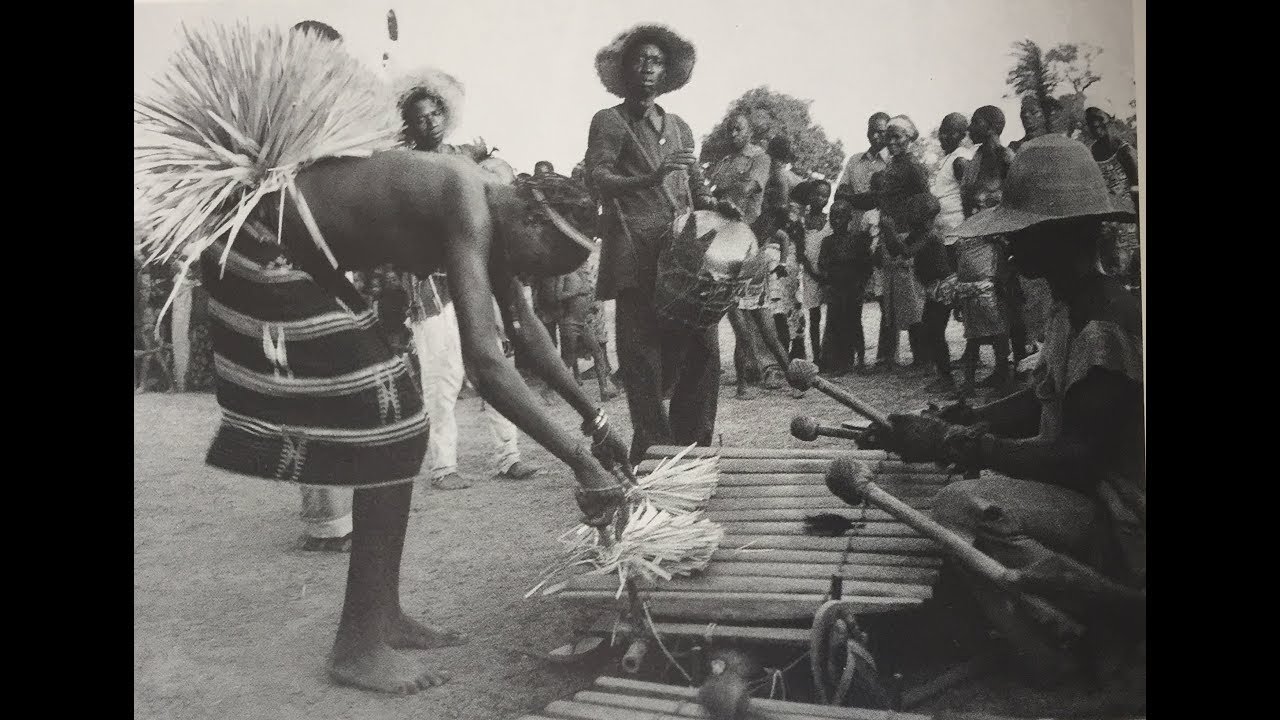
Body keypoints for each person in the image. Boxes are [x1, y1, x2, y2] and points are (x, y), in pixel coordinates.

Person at [143, 24, 636, 695]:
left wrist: (595, 421)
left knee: (397, 423)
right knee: (394, 421)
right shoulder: (465, 194)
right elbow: (487, 365)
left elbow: (522, 327)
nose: (527, 275)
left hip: (303, 260)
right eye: (536, 261)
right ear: (529, 221)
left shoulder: (499, 211)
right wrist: (578, 463)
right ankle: (356, 645)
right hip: (257, 249)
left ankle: (383, 615)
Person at [868, 134, 1143, 688]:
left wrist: (951, 444)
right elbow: (1041, 401)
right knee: (968, 477)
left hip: (1125, 524)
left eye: (1021, 233)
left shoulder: (1105, 320)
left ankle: (1068, 645)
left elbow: (1077, 459)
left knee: (963, 503)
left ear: (1059, 234)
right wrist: (963, 420)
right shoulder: (1075, 306)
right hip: (1090, 502)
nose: (1011, 247)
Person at [585, 24, 739, 462]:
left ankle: (693, 450)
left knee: (703, 351)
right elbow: (598, 177)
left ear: (666, 70)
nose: (648, 68)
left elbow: (695, 187)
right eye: (639, 59)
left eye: (656, 61)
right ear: (625, 68)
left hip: (682, 258)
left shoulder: (680, 127)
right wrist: (651, 177)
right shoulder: (609, 121)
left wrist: (718, 205)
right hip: (634, 254)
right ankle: (654, 453)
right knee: (642, 359)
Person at [398, 69, 541, 489]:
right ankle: (444, 467)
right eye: (420, 118)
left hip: (473, 277)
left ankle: (509, 456)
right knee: (441, 381)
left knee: (493, 366)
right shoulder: (405, 168)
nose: (429, 123)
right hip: (430, 284)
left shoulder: (464, 157)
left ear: (445, 114)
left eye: (434, 114)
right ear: (409, 124)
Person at [709, 112, 785, 397]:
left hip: (749, 241)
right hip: (727, 244)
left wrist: (722, 196)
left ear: (750, 132)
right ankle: (745, 380)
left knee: (759, 318)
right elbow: (716, 196)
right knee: (736, 312)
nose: (733, 135)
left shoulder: (760, 158)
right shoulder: (724, 163)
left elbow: (746, 189)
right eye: (730, 130)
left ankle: (778, 372)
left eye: (738, 129)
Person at [956, 105, 1016, 397]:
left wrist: (1006, 235)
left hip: (999, 241)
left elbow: (1017, 197)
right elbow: (968, 205)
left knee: (996, 303)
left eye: (976, 121)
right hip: (975, 239)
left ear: (992, 125)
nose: (970, 126)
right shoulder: (975, 159)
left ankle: (1006, 370)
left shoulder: (1006, 158)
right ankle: (991, 372)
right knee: (975, 299)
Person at [836, 112, 891, 370]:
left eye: (882, 131)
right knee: (854, 298)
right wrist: (869, 198)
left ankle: (885, 355)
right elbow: (841, 193)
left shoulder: (893, 162)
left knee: (885, 298)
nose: (877, 135)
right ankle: (855, 357)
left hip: (882, 237)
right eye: (873, 130)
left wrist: (859, 198)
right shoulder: (855, 161)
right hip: (856, 238)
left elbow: (880, 199)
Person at [901, 193, 958, 393]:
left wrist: (890, 231)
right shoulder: (920, 233)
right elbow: (899, 250)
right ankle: (941, 371)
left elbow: (907, 252)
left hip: (941, 286)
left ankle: (946, 376)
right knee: (931, 329)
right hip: (934, 287)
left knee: (935, 331)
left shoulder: (930, 235)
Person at [814, 195, 874, 374]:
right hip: (835, 288)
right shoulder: (828, 242)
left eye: (840, 216)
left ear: (850, 218)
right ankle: (838, 362)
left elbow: (866, 265)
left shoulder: (857, 240)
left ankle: (861, 360)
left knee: (855, 324)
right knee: (835, 325)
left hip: (853, 288)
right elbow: (822, 264)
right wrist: (827, 285)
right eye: (833, 216)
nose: (836, 220)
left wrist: (862, 285)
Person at [1085, 106, 1140, 286]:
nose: (1095, 123)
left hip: (1128, 221)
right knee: (1113, 274)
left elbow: (1138, 188)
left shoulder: (1124, 150)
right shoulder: (1090, 153)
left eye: (1099, 118)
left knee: (1133, 271)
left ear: (1109, 117)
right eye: (1090, 121)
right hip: (1106, 222)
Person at [790, 178, 832, 363]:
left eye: (825, 196)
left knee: (829, 315)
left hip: (826, 273)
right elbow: (801, 252)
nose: (820, 199)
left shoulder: (830, 220)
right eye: (817, 194)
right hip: (809, 274)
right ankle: (816, 355)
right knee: (813, 315)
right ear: (809, 196)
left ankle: (827, 353)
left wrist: (826, 273)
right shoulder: (802, 221)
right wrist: (813, 272)